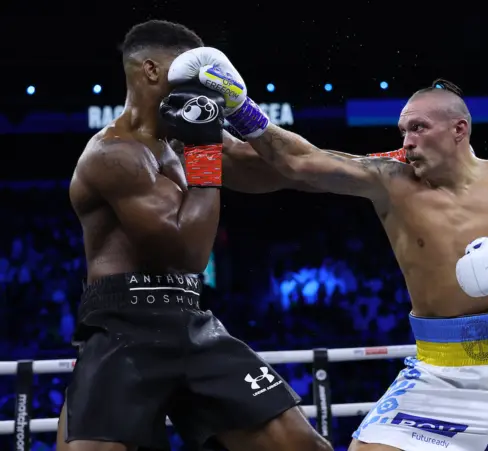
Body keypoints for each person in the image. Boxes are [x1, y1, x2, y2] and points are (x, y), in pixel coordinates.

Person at [177, 49, 488, 451]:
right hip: (441, 373)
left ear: (459, 130)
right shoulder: (390, 180)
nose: (406, 142)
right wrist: (240, 108)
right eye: (403, 131)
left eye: (418, 128)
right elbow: (302, 162)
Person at [57, 20, 334, 451]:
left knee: (301, 445)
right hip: (122, 328)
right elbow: (187, 251)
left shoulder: (185, 142)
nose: (203, 86)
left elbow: (286, 169)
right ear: (151, 70)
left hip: (189, 319)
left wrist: (375, 165)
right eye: (187, 71)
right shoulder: (114, 154)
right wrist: (205, 152)